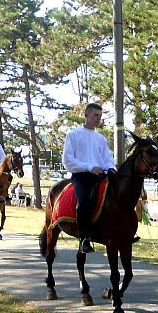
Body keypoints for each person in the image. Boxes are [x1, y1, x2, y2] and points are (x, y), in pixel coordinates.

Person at [62, 103, 115, 254]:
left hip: (101, 176)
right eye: (95, 115)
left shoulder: (101, 138)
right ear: (86, 115)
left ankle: (121, 232)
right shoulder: (73, 135)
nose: (98, 118)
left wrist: (110, 167)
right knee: (84, 202)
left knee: (118, 196)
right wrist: (89, 167)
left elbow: (107, 158)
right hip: (82, 176)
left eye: (100, 116)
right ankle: (84, 239)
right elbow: (68, 160)